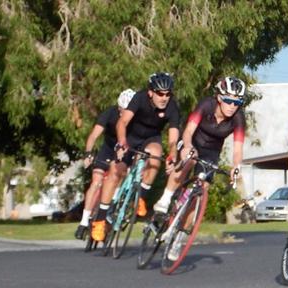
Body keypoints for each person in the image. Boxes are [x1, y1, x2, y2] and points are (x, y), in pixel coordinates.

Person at [151, 76, 246, 260]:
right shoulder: (207, 105)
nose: (232, 105)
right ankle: (166, 198)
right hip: (192, 141)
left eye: (237, 102)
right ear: (219, 97)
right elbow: (187, 131)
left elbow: (238, 150)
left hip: (211, 152)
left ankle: (179, 238)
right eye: (228, 100)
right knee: (190, 159)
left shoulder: (238, 118)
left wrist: (236, 167)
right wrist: (187, 146)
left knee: (201, 192)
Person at [90, 72, 181, 242]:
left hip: (150, 139)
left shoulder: (172, 107)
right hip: (130, 137)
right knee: (116, 172)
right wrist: (122, 143)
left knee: (156, 154)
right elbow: (122, 122)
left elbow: (173, 137)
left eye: (168, 94)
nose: (164, 98)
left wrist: (173, 154)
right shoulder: (139, 98)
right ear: (150, 92)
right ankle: (100, 219)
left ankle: (140, 198)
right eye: (160, 93)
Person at [74, 89, 136, 239]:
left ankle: (113, 202)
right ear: (118, 107)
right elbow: (94, 136)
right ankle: (83, 222)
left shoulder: (136, 118)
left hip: (126, 150)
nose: (123, 114)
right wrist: (88, 154)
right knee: (96, 182)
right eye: (121, 110)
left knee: (122, 174)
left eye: (127, 111)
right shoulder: (109, 113)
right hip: (108, 150)